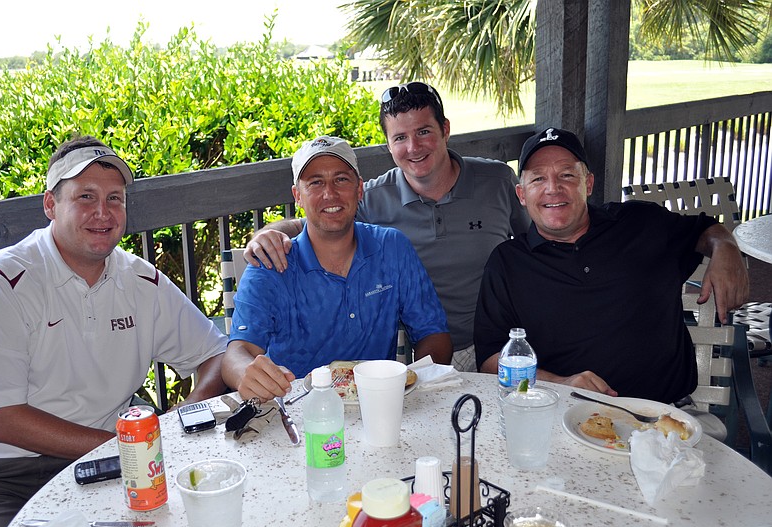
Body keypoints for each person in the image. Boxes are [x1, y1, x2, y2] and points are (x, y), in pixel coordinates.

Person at [0, 136, 228, 527]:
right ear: (51, 204)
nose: (103, 212)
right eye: (85, 197)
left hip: (107, 465)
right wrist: (126, 446)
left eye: (114, 198)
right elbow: (1, 420)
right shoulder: (4, 279)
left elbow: (216, 354)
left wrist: (175, 424)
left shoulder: (141, 281)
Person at [244, 82, 529, 373]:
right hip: (437, 351)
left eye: (423, 132)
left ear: (445, 129)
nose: (413, 147)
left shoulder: (497, 181)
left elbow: (533, 243)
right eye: (400, 137)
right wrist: (265, 236)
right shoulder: (372, 199)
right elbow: (321, 222)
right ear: (389, 145)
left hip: (505, 341)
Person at [474, 127, 749, 403]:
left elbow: (705, 230)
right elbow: (490, 360)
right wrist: (561, 383)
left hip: (665, 414)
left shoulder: (640, 223)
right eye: (538, 178)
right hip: (562, 413)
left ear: (588, 184)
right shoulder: (507, 263)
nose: (553, 188)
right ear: (522, 194)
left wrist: (725, 246)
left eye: (567, 175)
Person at [221, 135, 452, 400]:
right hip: (297, 408)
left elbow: (434, 333)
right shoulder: (270, 264)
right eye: (315, 182)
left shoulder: (392, 248)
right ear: (298, 196)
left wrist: (414, 387)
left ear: (359, 189)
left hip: (377, 404)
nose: (329, 193)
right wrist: (247, 374)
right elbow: (237, 352)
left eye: (341, 179)